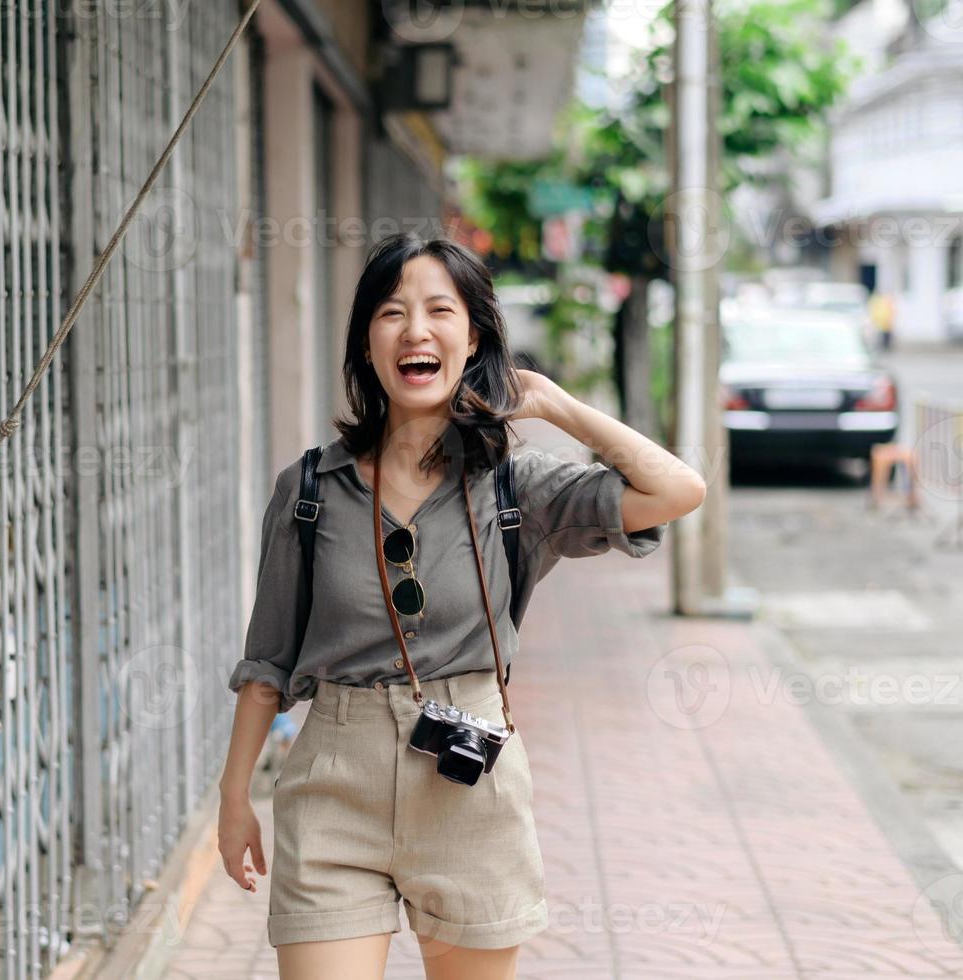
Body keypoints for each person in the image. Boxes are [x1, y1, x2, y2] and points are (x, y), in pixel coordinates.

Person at [216, 234, 707, 980]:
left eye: (439, 310)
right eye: (391, 312)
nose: (416, 329)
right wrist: (233, 796)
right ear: (368, 345)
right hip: (332, 786)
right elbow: (268, 660)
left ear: (471, 336)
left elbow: (676, 490)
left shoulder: (518, 488)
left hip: (468, 782)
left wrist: (554, 405)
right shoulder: (311, 489)